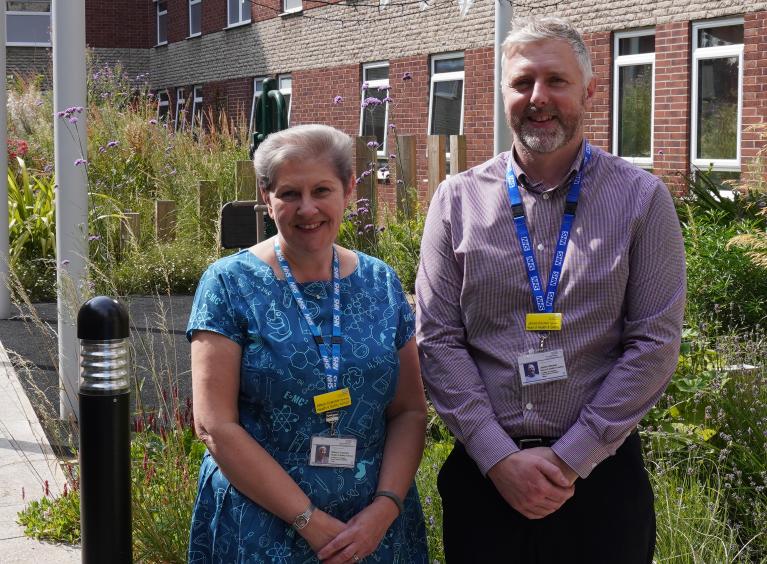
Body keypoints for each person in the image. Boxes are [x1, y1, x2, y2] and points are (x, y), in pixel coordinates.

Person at [416, 16, 685, 564]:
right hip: (486, 479)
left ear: (589, 89)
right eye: (522, 83)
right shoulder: (456, 201)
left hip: (600, 482)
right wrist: (496, 457)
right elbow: (437, 339)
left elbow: (654, 344)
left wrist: (570, 459)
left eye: (556, 81)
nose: (538, 98)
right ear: (502, 93)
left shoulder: (642, 200)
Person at [187, 124, 429, 563]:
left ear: (349, 189)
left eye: (321, 190)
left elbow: (409, 410)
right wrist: (310, 523)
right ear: (266, 196)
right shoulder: (228, 285)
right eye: (289, 194)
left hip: (372, 527)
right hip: (263, 525)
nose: (307, 209)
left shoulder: (381, 283)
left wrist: (384, 509)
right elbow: (215, 426)